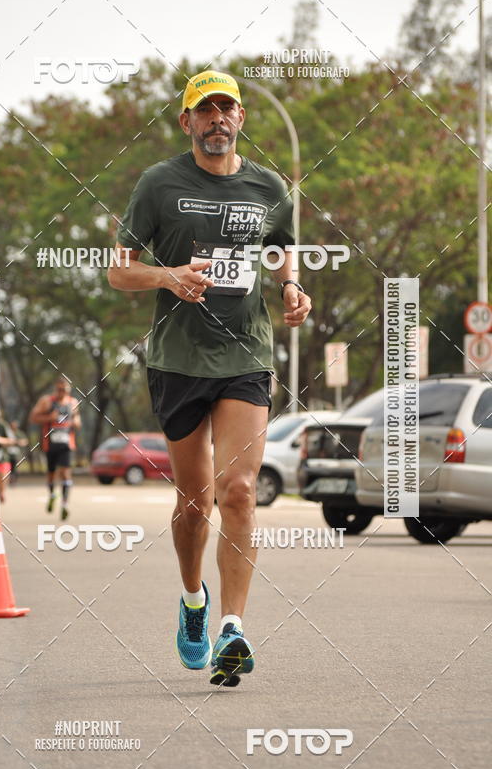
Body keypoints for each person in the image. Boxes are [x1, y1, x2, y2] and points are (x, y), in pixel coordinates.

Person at [108, 70, 311, 686]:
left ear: (241, 118)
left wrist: (293, 285)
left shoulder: (267, 185)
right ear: (187, 122)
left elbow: (279, 249)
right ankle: (193, 600)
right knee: (194, 503)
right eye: (206, 110)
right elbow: (119, 272)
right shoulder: (159, 183)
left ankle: (232, 628)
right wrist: (169, 277)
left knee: (240, 490)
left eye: (228, 108)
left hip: (246, 355)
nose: (218, 118)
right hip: (177, 360)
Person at [30, 378, 81, 520]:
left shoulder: (73, 403)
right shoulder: (47, 401)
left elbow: (78, 421)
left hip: (66, 444)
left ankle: (64, 504)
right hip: (50, 444)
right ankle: (52, 494)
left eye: (65, 390)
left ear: (68, 390)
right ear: (55, 389)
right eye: (59, 390)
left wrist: (74, 422)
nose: (62, 393)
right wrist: (49, 417)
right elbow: (33, 417)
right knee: (51, 475)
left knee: (65, 474)